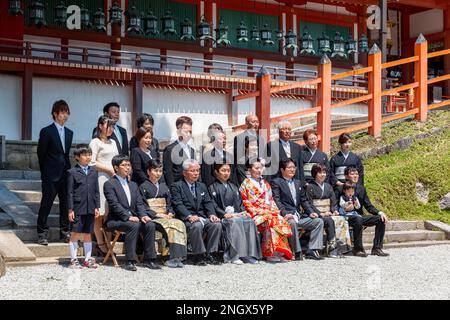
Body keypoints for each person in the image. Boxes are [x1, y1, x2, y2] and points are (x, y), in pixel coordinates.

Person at [104, 155, 163, 271]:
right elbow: (114, 205)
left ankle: (149, 259)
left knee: (150, 224)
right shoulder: (109, 184)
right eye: (124, 165)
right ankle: (129, 261)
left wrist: (143, 215)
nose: (127, 168)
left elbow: (139, 203)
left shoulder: (133, 185)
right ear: (116, 168)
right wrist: (128, 217)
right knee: (133, 225)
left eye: (129, 165)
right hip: (116, 220)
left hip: (133, 218)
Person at [270, 158, 326, 260]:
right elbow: (276, 201)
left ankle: (312, 250)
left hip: (298, 215)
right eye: (289, 167)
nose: (292, 170)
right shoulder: (276, 182)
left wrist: (311, 212)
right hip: (286, 216)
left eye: (293, 167)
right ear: (282, 170)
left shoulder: (298, 182)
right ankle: (297, 251)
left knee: (318, 221)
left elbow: (304, 200)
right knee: (292, 223)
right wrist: (285, 213)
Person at [239, 158, 293, 263]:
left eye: (261, 168)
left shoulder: (265, 184)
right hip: (255, 214)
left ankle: (279, 252)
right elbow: (245, 202)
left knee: (279, 219)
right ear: (250, 170)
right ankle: (269, 253)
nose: (259, 170)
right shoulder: (245, 184)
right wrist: (259, 212)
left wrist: (274, 211)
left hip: (267, 212)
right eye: (256, 168)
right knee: (271, 221)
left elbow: (271, 201)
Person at [170, 159, 222, 266]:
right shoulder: (177, 186)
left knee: (216, 224)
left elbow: (208, 202)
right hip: (187, 218)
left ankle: (210, 253)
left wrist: (212, 214)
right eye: (192, 171)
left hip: (202, 217)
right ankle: (198, 255)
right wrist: (189, 216)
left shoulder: (201, 186)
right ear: (184, 173)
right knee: (196, 226)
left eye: (197, 171)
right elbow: (178, 204)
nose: (196, 173)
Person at [208, 163, 261, 264]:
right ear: (216, 172)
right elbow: (213, 204)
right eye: (223, 170)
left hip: (236, 215)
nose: (226, 173)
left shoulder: (233, 186)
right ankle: (233, 255)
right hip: (223, 217)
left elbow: (240, 202)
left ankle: (248, 255)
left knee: (249, 221)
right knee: (234, 222)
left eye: (228, 170)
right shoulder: (212, 187)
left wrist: (242, 212)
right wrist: (223, 213)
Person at [36, 100, 73, 245]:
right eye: (62, 112)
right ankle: (42, 233)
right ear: (55, 114)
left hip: (65, 173)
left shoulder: (69, 133)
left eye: (67, 112)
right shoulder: (46, 131)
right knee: (46, 203)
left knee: (65, 204)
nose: (65, 115)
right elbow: (41, 154)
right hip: (50, 174)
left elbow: (65, 154)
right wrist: (45, 172)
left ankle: (64, 233)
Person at [140, 159, 187, 268]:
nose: (158, 174)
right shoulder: (143, 187)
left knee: (179, 223)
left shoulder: (164, 187)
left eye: (160, 171)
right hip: (153, 217)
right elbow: (142, 205)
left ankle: (177, 257)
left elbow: (170, 204)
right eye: (155, 171)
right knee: (171, 225)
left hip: (165, 216)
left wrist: (170, 212)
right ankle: (168, 257)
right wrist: (157, 214)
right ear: (148, 171)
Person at [336, 166, 389, 257]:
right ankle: (358, 249)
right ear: (346, 176)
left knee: (380, 219)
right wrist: (343, 209)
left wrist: (379, 212)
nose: (355, 176)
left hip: (358, 216)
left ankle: (377, 248)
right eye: (352, 174)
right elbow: (335, 205)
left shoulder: (361, 189)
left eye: (356, 174)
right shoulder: (340, 189)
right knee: (358, 219)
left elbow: (368, 206)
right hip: (345, 216)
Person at [89, 116, 119, 256]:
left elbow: (117, 159)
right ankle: (101, 243)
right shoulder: (95, 142)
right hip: (100, 178)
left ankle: (108, 242)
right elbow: (91, 162)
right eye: (109, 126)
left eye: (113, 127)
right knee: (99, 214)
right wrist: (108, 169)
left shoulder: (113, 142)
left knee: (109, 213)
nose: (111, 129)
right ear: (100, 126)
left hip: (113, 178)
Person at [66, 144, 100, 269]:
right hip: (78, 207)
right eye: (85, 155)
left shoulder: (93, 171)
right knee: (75, 233)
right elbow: (69, 192)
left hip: (90, 207)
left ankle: (87, 259)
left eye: (89, 154)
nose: (88, 157)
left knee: (87, 233)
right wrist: (70, 209)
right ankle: (73, 260)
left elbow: (96, 191)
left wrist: (97, 207)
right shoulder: (72, 172)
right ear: (77, 157)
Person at [306, 164, 351, 257]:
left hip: (328, 212)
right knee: (329, 220)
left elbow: (333, 202)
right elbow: (309, 204)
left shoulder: (328, 186)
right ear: (314, 174)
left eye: (324, 172)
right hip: (316, 214)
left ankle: (342, 249)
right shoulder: (310, 186)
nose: (322, 175)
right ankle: (332, 249)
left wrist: (334, 210)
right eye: (319, 172)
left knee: (341, 219)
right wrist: (321, 213)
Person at [163, 116, 196, 186]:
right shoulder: (170, 149)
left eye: (190, 132)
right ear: (178, 131)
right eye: (186, 132)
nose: (189, 134)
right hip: (178, 188)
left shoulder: (192, 150)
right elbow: (168, 173)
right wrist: (173, 190)